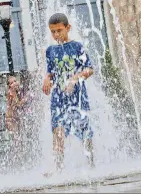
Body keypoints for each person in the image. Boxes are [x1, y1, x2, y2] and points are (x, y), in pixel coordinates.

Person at [42, 13, 95, 172]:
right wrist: (46, 78)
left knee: (85, 132)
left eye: (59, 30)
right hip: (58, 98)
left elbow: (89, 69)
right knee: (57, 132)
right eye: (53, 31)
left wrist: (74, 79)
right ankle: (58, 170)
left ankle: (91, 165)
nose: (56, 35)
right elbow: (51, 71)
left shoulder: (77, 46)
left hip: (78, 97)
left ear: (68, 28)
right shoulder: (50, 50)